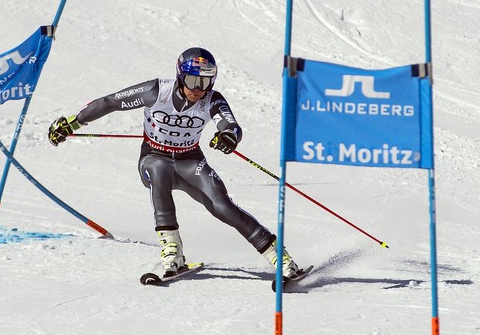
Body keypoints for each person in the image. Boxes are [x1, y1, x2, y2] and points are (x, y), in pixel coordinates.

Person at [48, 47, 300, 278]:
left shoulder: (212, 99)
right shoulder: (157, 91)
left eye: (205, 81)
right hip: (153, 157)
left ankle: (280, 257)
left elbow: (230, 124)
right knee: (159, 170)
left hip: (190, 161)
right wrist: (73, 122)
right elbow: (110, 102)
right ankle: (172, 251)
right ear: (180, 76)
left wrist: (228, 137)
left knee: (222, 206)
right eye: (193, 80)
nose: (198, 88)